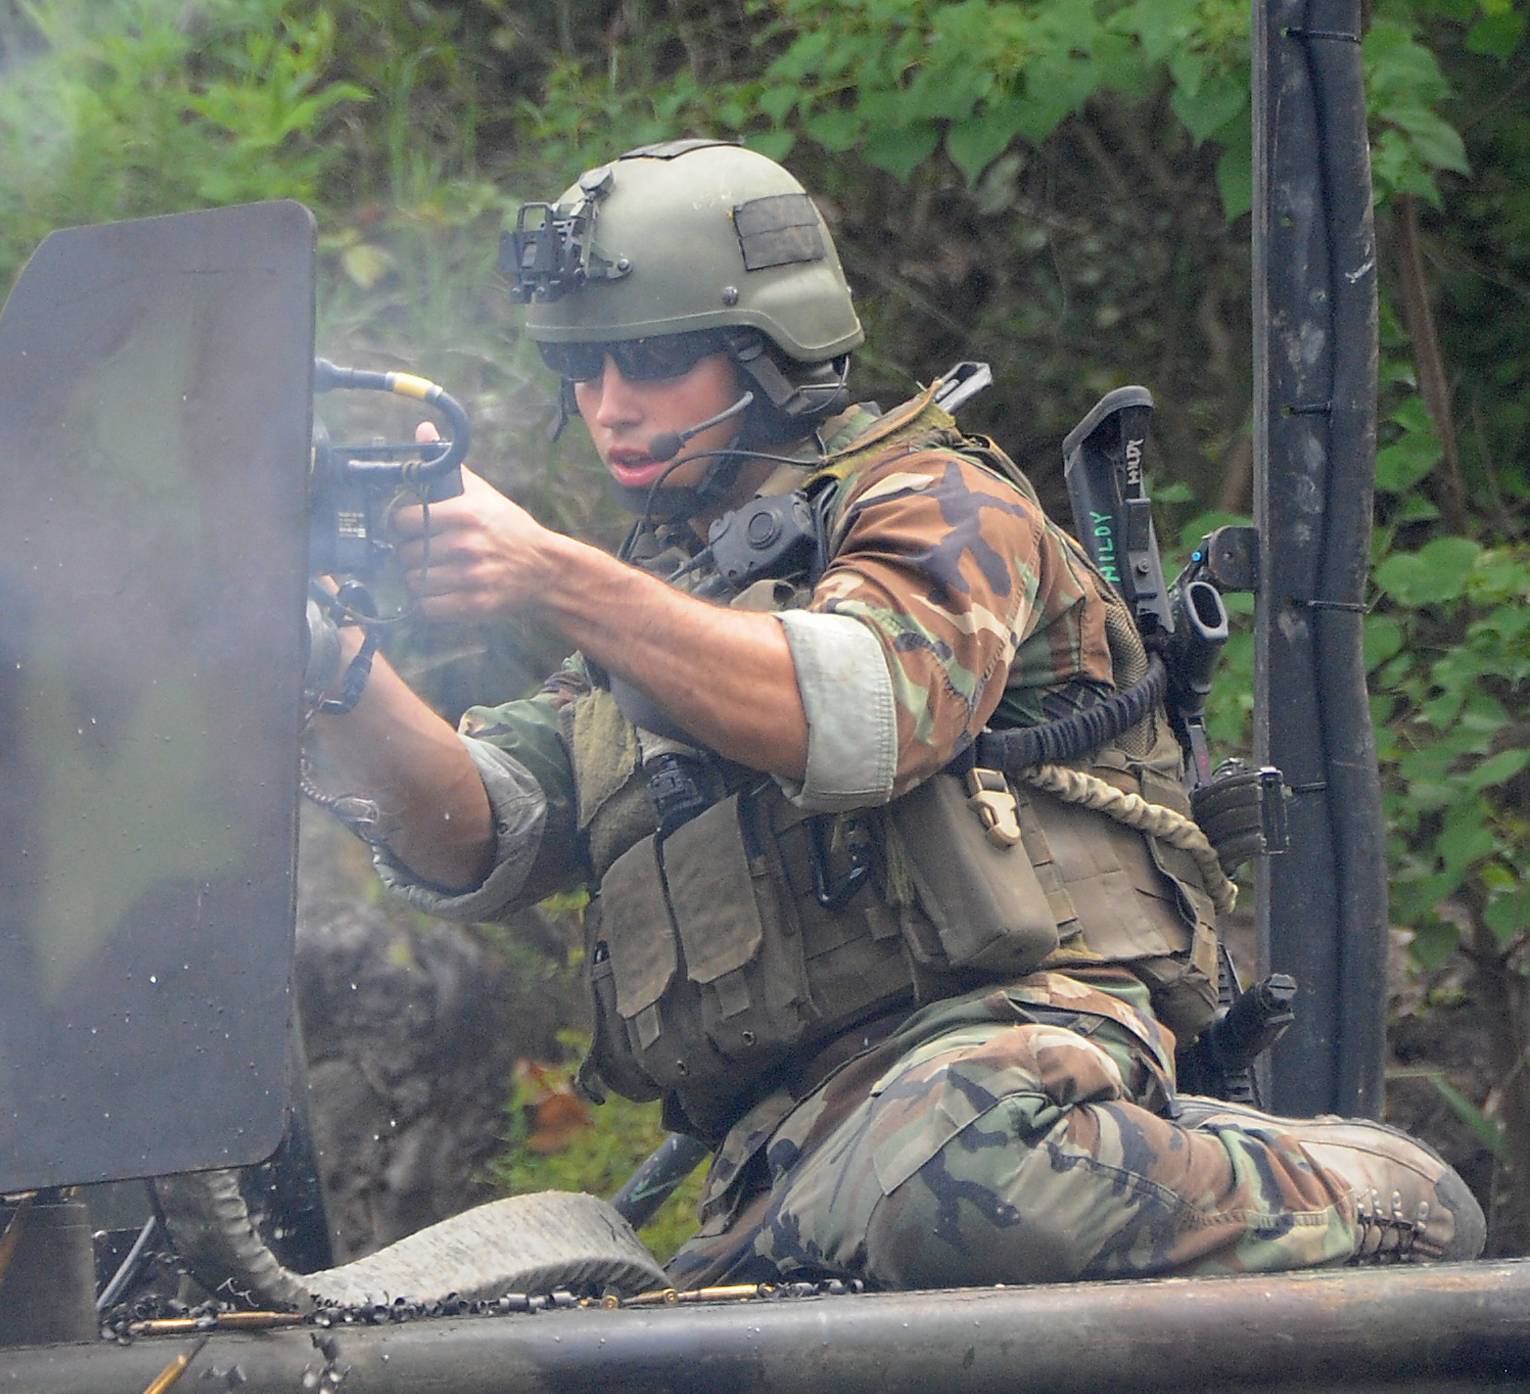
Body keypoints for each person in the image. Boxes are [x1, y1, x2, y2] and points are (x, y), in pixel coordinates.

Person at [303, 139, 1482, 1291]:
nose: (609, 406)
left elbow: (864, 711)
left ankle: (1371, 1188)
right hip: (789, 1158)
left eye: (653, 359)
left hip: (1007, 1061)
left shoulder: (937, 500)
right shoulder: (650, 615)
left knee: (964, 1181)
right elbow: (475, 828)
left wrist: (555, 574)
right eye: (583, 368)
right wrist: (330, 666)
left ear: (772, 350)